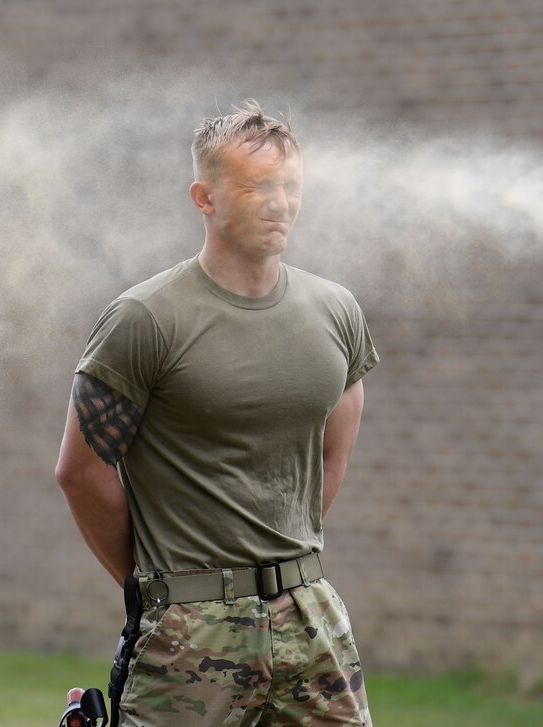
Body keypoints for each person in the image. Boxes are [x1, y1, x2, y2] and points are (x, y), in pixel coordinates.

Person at [55, 100, 378, 727]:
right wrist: (158, 587)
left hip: (311, 619)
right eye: (256, 187)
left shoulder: (337, 314)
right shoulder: (144, 320)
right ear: (204, 197)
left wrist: (284, 564)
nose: (279, 203)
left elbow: (330, 456)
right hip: (187, 630)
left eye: (290, 186)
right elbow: (81, 471)